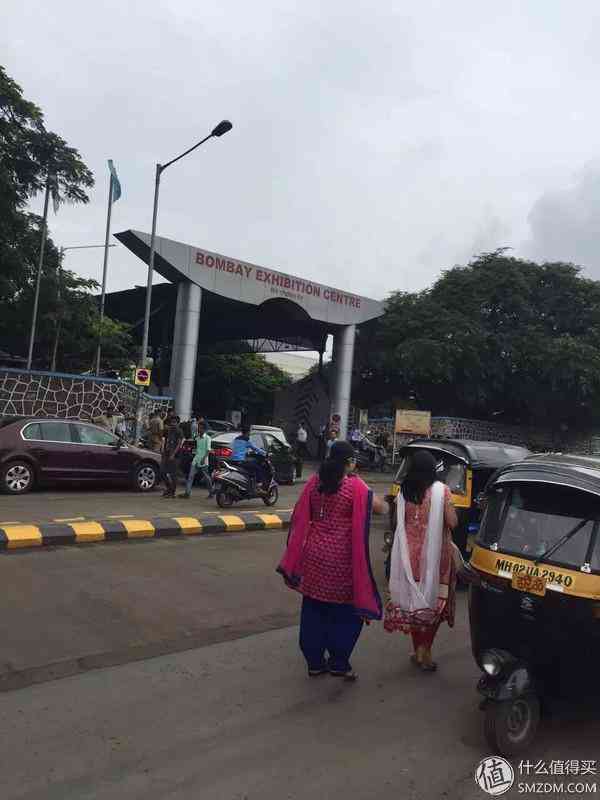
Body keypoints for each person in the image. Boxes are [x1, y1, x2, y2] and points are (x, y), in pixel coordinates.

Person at [277, 440, 388, 680]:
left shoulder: (314, 482)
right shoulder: (355, 486)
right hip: (341, 559)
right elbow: (381, 508)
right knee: (346, 611)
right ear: (349, 462)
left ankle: (315, 662)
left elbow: (300, 514)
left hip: (313, 555)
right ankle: (338, 662)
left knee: (313, 607)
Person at [383, 450, 458, 672]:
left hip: (408, 559)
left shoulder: (403, 492)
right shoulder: (441, 491)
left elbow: (397, 524)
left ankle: (417, 650)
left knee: (415, 605)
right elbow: (452, 522)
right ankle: (425, 650)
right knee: (434, 606)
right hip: (436, 560)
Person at [179, 420, 213, 499]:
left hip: (203, 461)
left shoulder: (207, 438)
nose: (199, 429)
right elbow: (195, 447)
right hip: (196, 460)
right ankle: (187, 493)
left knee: (206, 478)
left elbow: (208, 450)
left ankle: (211, 492)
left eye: (200, 428)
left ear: (204, 429)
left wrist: (203, 459)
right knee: (190, 476)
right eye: (198, 427)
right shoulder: (197, 437)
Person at [231, 426, 267, 493]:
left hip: (233, 461)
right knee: (257, 468)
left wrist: (246, 452)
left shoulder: (236, 439)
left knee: (250, 465)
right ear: (247, 432)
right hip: (241, 461)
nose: (249, 434)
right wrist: (265, 453)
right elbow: (255, 448)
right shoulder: (246, 440)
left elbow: (234, 448)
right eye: (249, 432)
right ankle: (259, 485)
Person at [161, 412, 184, 498]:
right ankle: (169, 488)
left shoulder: (179, 431)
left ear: (178, 423)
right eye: (172, 422)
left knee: (173, 474)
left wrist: (173, 454)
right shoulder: (169, 430)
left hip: (176, 455)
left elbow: (179, 444)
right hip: (167, 453)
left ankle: (172, 492)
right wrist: (163, 450)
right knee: (162, 472)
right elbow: (165, 440)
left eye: (174, 422)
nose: (173, 423)